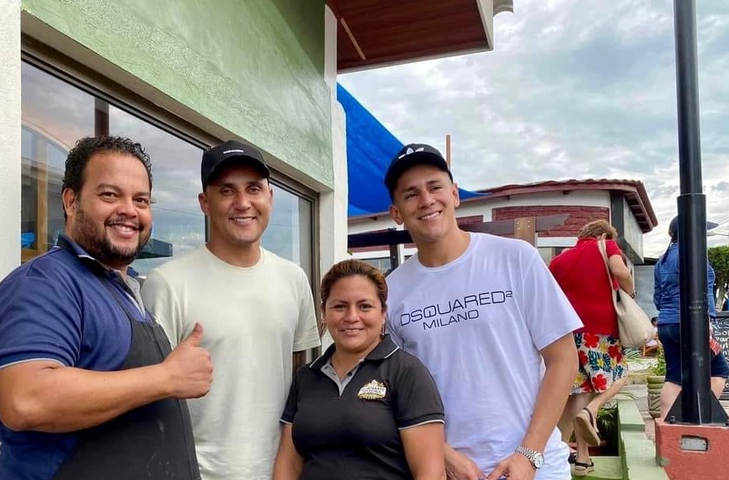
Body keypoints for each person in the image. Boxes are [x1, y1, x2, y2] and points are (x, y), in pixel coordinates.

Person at [0, 136, 213, 480]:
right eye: (110, 195)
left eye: (141, 200)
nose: (129, 210)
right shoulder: (43, 283)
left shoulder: (127, 289)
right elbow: (24, 399)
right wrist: (167, 377)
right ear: (71, 201)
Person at [383, 143, 582, 480]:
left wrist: (528, 454)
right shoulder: (392, 291)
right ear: (397, 213)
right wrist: (442, 456)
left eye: (435, 187)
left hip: (535, 467)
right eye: (411, 194)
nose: (427, 200)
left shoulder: (516, 259)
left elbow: (563, 359)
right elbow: (396, 392)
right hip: (448, 472)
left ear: (455, 194)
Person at [141, 139, 321, 480]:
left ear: (269, 197)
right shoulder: (167, 283)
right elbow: (150, 393)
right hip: (196, 473)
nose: (243, 203)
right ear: (204, 203)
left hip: (280, 470)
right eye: (226, 191)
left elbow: (299, 379)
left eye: (253, 188)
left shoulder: (293, 279)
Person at [273, 259, 446, 480]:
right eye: (339, 306)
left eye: (364, 306)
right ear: (323, 312)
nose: (352, 317)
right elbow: (288, 466)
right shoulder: (306, 377)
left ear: (383, 312)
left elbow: (431, 474)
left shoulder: (406, 373)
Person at [548, 220, 634, 476]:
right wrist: (629, 291)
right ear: (604, 236)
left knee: (580, 391)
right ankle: (592, 410)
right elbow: (621, 272)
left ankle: (581, 459)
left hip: (567, 332)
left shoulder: (560, 260)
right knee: (622, 374)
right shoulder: (606, 246)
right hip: (600, 330)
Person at [654, 216, 729, 420]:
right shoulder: (694, 255)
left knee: (674, 376)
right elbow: (702, 292)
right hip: (692, 323)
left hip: (666, 323)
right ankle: (697, 415)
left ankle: (665, 424)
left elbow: (658, 298)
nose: (704, 234)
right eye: (701, 230)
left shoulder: (662, 261)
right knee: (719, 370)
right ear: (691, 231)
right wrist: (707, 322)